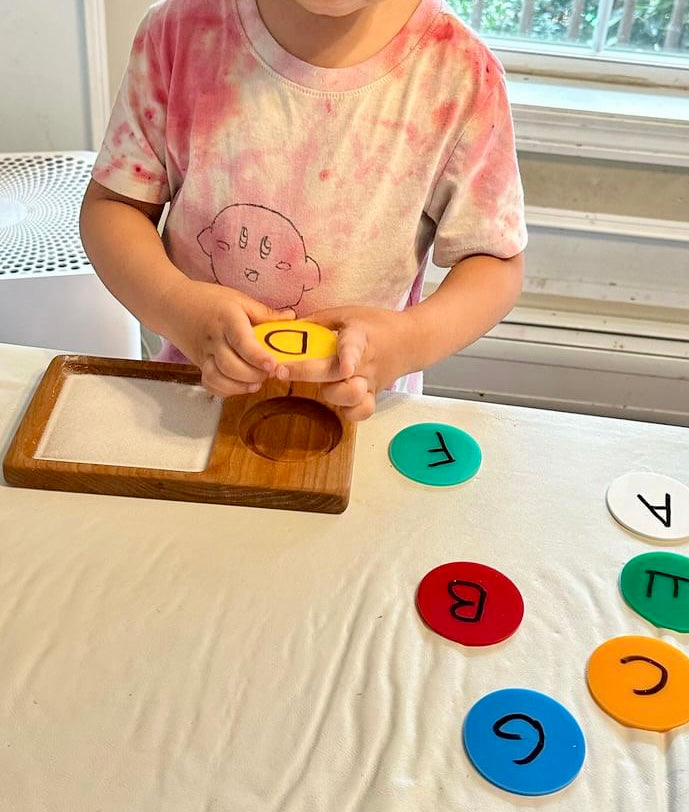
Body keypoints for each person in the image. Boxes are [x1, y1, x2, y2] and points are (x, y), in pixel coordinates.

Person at [80, 0, 527, 421]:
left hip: (358, 411)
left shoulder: (461, 74)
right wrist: (178, 307)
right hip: (193, 399)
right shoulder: (179, 33)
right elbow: (113, 209)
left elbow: (494, 261)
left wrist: (408, 341)